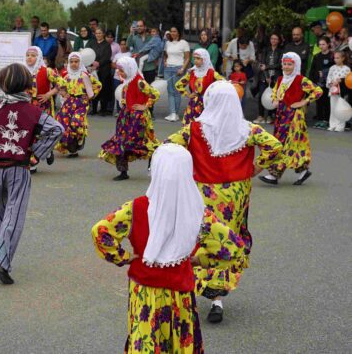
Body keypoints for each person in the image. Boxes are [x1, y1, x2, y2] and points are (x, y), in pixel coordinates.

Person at [91, 144, 245, 353]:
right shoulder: (198, 212)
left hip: (144, 292)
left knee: (145, 339)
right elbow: (234, 248)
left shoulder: (135, 208)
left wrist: (123, 257)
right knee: (179, 341)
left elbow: (100, 232)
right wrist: (201, 260)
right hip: (180, 292)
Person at [166, 81, 283, 323]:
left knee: (199, 236)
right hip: (235, 194)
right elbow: (275, 146)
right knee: (226, 237)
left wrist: (186, 167)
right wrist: (257, 166)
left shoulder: (194, 129)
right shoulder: (248, 129)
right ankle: (217, 298)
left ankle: (189, 289)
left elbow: (168, 147)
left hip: (203, 192)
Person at [0, 63, 63, 284]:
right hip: (18, 167)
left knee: (2, 206)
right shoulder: (33, 111)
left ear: (3, 85)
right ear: (26, 84)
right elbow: (57, 129)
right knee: (14, 213)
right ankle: (2, 259)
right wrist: (38, 151)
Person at [259, 53, 322, 186]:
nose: (286, 67)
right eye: (285, 64)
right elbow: (275, 92)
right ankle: (303, 171)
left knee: (285, 144)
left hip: (294, 117)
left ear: (296, 65)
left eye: (290, 64)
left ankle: (274, 174)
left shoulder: (301, 80)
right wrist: (275, 100)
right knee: (292, 144)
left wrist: (304, 102)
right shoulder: (280, 79)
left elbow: (318, 91)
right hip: (281, 116)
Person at [99, 57, 160, 181]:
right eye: (118, 70)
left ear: (129, 68)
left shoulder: (139, 81)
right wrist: (124, 103)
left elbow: (155, 94)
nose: (119, 73)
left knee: (144, 142)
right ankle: (123, 171)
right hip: (126, 116)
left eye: (121, 70)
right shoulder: (127, 81)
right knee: (121, 142)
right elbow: (126, 96)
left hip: (139, 118)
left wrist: (145, 106)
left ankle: (154, 164)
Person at [55, 52, 101, 158]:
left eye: (76, 62)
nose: (74, 64)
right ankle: (72, 148)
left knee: (76, 123)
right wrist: (63, 93)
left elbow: (98, 84)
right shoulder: (67, 76)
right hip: (69, 103)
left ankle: (80, 139)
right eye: (71, 62)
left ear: (80, 63)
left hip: (80, 103)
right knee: (64, 123)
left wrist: (90, 96)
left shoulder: (84, 75)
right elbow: (60, 86)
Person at [175, 49, 225, 124]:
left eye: (198, 58)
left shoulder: (212, 73)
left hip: (208, 104)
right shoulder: (192, 72)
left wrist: (214, 95)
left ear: (205, 59)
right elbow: (178, 85)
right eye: (194, 58)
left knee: (205, 126)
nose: (195, 60)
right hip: (194, 104)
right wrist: (188, 95)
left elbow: (223, 83)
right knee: (191, 126)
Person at [254, 33, 284, 124]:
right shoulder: (265, 50)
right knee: (261, 95)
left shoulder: (281, 51)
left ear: (278, 41)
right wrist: (267, 76)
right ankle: (261, 115)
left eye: (275, 39)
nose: (273, 40)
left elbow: (280, 65)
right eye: (272, 38)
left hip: (275, 77)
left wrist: (268, 67)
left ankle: (270, 116)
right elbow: (262, 64)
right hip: (264, 77)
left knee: (273, 96)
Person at [163, 27, 190, 122]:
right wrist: (165, 61)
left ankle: (175, 113)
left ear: (178, 33)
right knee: (170, 91)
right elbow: (165, 55)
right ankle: (172, 113)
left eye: (174, 31)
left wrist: (182, 69)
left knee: (177, 91)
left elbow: (187, 58)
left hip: (178, 69)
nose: (172, 33)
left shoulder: (184, 43)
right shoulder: (167, 43)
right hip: (168, 69)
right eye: (171, 31)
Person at [309, 36, 333, 129]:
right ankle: (319, 119)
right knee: (319, 101)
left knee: (327, 102)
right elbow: (312, 70)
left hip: (328, 83)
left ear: (328, 44)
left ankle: (326, 120)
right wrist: (312, 81)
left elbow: (334, 69)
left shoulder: (332, 56)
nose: (321, 46)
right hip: (318, 83)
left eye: (323, 44)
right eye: (320, 44)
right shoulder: (317, 56)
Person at [88, 27, 113, 116]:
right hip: (93, 70)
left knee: (103, 90)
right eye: (96, 33)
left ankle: (103, 109)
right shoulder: (92, 43)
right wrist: (92, 63)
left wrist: (98, 63)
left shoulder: (107, 45)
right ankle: (94, 109)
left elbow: (107, 57)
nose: (98, 35)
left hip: (104, 71)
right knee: (94, 89)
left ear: (103, 34)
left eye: (100, 33)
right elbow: (88, 54)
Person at [326, 50, 350, 132]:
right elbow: (329, 78)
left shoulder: (347, 69)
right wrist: (330, 83)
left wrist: (340, 81)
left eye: (338, 58)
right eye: (335, 58)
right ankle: (332, 125)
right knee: (333, 108)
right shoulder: (332, 68)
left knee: (341, 108)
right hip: (333, 91)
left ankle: (340, 126)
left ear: (343, 58)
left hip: (342, 92)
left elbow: (348, 81)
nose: (335, 60)